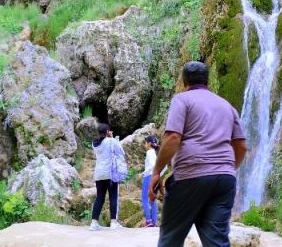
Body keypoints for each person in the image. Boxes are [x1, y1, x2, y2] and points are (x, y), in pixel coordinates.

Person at [149, 61, 247, 247]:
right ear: (207, 81)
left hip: (190, 177)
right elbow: (241, 146)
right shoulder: (227, 106)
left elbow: (172, 137)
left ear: (184, 81)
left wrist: (156, 173)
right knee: (216, 242)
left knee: (170, 239)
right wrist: (226, 169)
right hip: (224, 180)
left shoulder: (182, 100)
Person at [89, 123, 126, 231]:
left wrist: (107, 136)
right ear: (107, 132)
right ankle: (113, 223)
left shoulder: (94, 143)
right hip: (110, 173)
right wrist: (112, 138)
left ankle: (94, 223)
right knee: (113, 197)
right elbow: (121, 152)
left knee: (100, 197)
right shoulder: (111, 141)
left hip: (99, 174)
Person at [141, 135, 161, 227]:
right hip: (156, 176)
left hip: (148, 176)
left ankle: (148, 220)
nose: (145, 144)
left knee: (144, 198)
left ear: (149, 143)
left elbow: (152, 166)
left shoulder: (149, 152)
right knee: (153, 199)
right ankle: (154, 221)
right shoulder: (155, 153)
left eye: (145, 142)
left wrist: (144, 173)